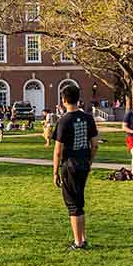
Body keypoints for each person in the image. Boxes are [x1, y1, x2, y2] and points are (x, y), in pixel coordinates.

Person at [52, 84, 99, 251]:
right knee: (79, 201)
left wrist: (55, 172)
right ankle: (83, 238)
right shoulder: (88, 118)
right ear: (78, 99)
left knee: (73, 204)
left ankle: (78, 242)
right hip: (83, 164)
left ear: (64, 100)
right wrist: (89, 161)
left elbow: (58, 150)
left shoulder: (63, 121)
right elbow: (95, 145)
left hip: (69, 165)